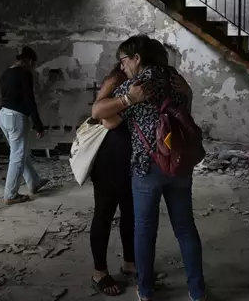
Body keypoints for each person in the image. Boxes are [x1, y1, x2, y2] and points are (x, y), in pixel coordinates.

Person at [92, 35, 205, 301]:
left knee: (144, 229)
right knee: (186, 229)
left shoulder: (137, 85)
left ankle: (145, 291)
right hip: (179, 167)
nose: (123, 67)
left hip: (147, 167)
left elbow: (98, 112)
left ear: (137, 59)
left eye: (124, 61)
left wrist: (126, 101)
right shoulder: (177, 81)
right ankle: (198, 292)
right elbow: (185, 111)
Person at [88, 63, 135, 296]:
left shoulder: (143, 81)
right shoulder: (117, 78)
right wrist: (128, 101)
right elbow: (100, 114)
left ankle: (129, 263)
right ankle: (99, 272)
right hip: (108, 161)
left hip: (132, 162)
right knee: (104, 214)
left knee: (130, 214)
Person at [0, 46, 49, 205]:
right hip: (16, 118)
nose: (33, 67)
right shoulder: (24, 73)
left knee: (21, 152)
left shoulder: (6, 72)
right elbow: (29, 100)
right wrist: (38, 124)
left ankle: (34, 182)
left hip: (4, 115)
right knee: (18, 156)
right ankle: (10, 194)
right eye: (34, 64)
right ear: (30, 60)